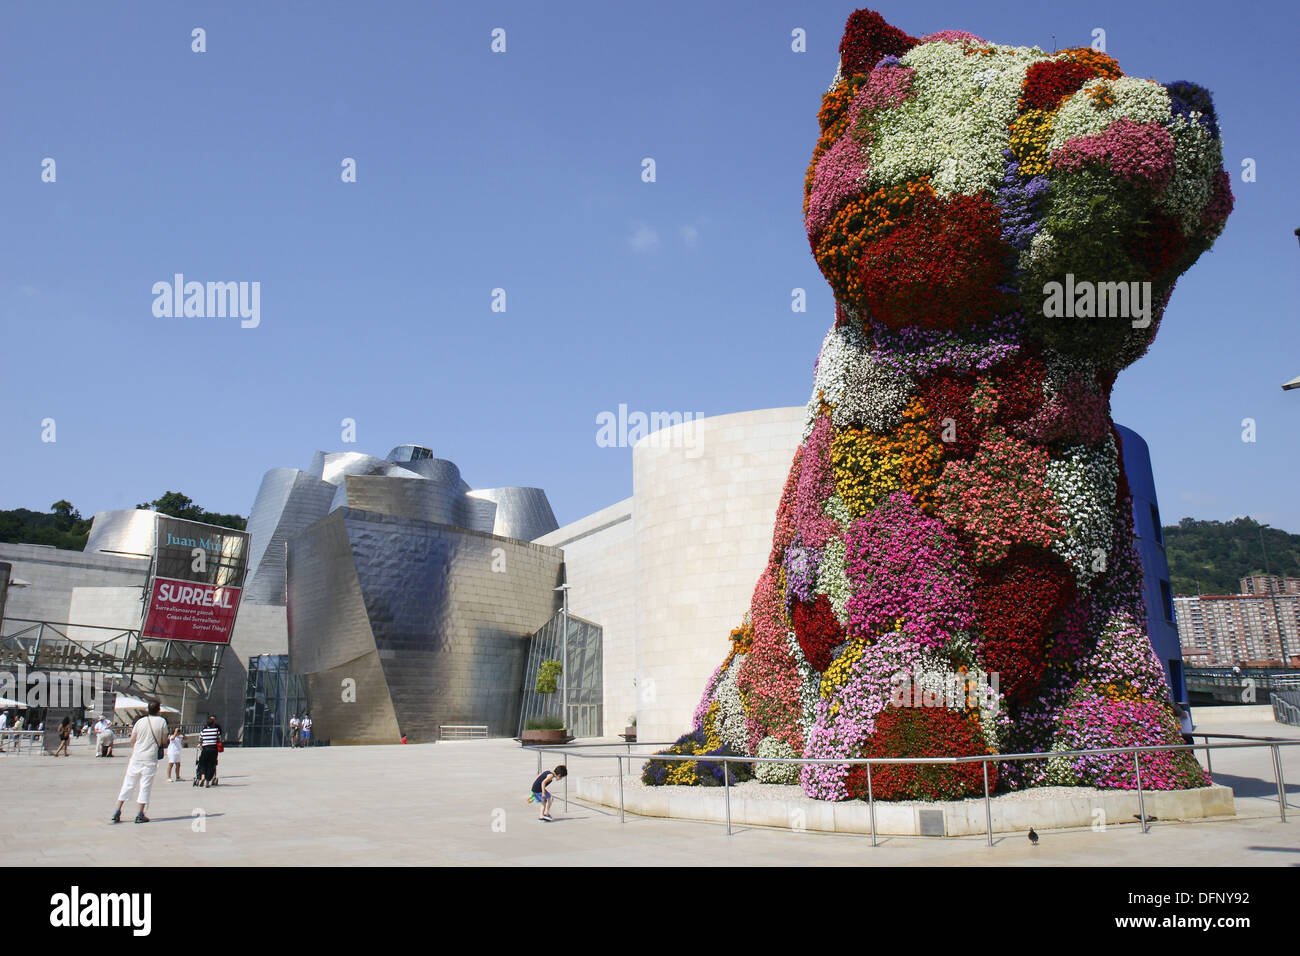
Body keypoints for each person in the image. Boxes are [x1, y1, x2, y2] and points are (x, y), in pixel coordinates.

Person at [110, 700, 168, 824]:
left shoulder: (140, 721)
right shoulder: (162, 722)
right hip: (150, 758)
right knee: (145, 786)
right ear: (159, 710)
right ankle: (140, 814)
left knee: (128, 784)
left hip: (136, 757)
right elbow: (164, 741)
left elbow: (132, 740)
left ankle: (117, 810)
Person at [195, 716, 221, 787]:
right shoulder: (216, 730)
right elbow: (219, 740)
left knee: (202, 763)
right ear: (213, 724)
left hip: (205, 749)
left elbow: (200, 741)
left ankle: (202, 776)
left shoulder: (203, 731)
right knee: (211, 764)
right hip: (213, 749)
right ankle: (207, 782)